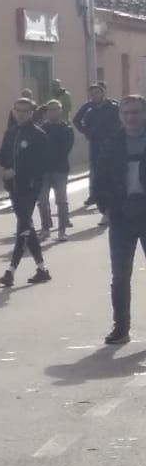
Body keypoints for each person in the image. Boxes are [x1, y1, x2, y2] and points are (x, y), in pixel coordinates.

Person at [95, 96, 146, 345]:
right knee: (120, 276)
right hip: (121, 217)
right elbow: (100, 177)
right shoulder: (112, 144)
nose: (130, 117)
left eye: (135, 112)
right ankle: (121, 327)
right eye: (126, 113)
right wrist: (106, 207)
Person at [0, 97, 52, 288]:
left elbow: (41, 163)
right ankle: (42, 269)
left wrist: (17, 171)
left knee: (23, 225)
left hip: (29, 187)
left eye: (25, 111)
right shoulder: (10, 132)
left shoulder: (38, 134)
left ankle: (10, 271)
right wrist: (0, 168)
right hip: (13, 187)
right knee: (26, 227)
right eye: (18, 110)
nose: (21, 114)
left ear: (31, 113)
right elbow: (3, 154)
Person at [75, 82, 122, 215]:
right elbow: (76, 120)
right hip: (95, 143)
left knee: (112, 169)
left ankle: (113, 195)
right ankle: (94, 195)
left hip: (111, 143)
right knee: (95, 169)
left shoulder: (113, 106)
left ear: (103, 93)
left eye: (97, 92)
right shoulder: (88, 107)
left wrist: (116, 135)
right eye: (92, 93)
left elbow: (121, 121)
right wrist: (87, 132)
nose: (94, 96)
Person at [37, 100, 75, 242]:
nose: (53, 112)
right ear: (47, 112)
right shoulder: (41, 129)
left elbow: (66, 148)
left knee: (61, 201)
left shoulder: (66, 129)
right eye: (50, 109)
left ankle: (62, 231)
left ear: (60, 110)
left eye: (55, 109)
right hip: (43, 169)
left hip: (60, 169)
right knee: (42, 200)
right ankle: (45, 228)